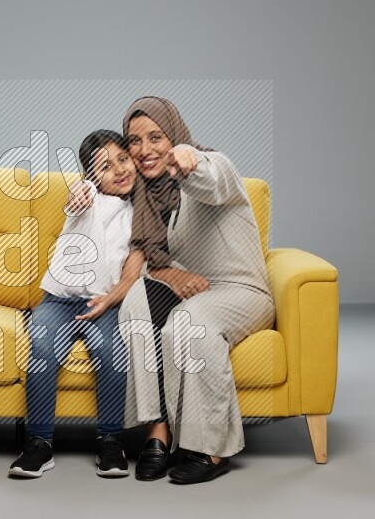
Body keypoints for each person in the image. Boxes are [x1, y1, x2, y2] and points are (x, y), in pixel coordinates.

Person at [119, 96, 276, 484]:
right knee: (136, 301)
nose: (144, 150)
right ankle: (157, 428)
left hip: (241, 293)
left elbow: (212, 177)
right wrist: (169, 275)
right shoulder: (146, 199)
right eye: (134, 141)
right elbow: (159, 262)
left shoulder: (216, 168)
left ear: (175, 135)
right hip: (200, 292)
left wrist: (189, 159)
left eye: (156, 137)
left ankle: (210, 448)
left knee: (187, 323)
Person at [9, 130, 143, 478]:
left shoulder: (138, 213)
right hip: (60, 301)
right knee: (41, 346)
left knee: (114, 351)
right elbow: (75, 199)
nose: (118, 170)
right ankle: (39, 443)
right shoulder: (87, 199)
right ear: (91, 177)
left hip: (107, 303)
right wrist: (80, 192)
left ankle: (111, 441)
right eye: (104, 167)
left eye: (123, 159)